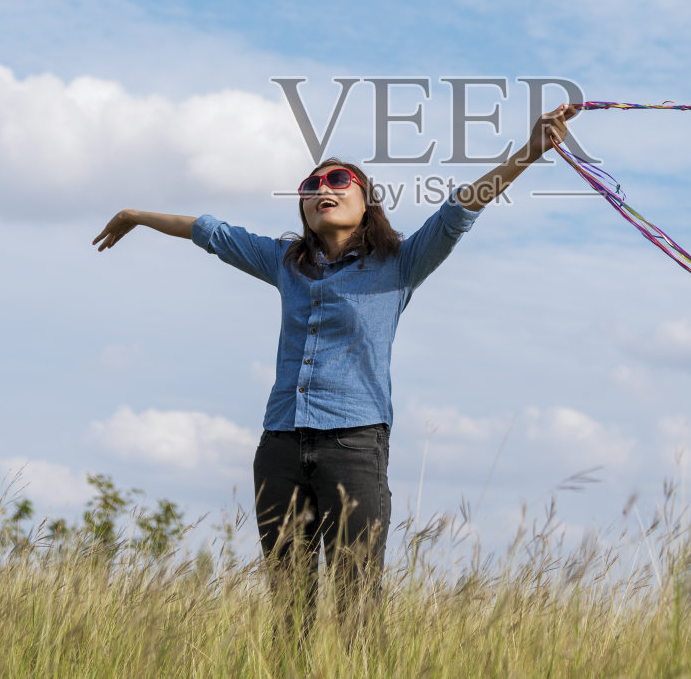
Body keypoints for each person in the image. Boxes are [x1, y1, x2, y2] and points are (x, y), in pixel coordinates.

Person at [91, 104, 576, 628]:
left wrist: (529, 151)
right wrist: (134, 216)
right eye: (311, 183)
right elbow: (211, 232)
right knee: (289, 608)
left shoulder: (400, 263)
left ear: (366, 202)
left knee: (355, 607)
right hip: (278, 446)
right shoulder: (283, 263)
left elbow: (460, 211)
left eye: (339, 179)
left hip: (354, 445)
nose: (323, 186)